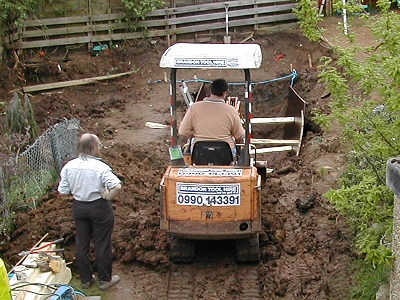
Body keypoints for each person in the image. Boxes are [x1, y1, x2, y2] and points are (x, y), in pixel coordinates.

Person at [58, 133, 122, 291]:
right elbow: (117, 186)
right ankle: (104, 280)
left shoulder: (69, 166)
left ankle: (86, 279)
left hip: (79, 207)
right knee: (102, 243)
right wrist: (107, 197)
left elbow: (63, 191)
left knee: (82, 243)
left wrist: (78, 190)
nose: (100, 148)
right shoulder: (100, 167)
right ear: (92, 147)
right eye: (98, 145)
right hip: (99, 207)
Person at [178, 78, 245, 156]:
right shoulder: (231, 110)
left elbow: (183, 131)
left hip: (199, 153)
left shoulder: (195, 108)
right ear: (225, 93)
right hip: (225, 154)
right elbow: (239, 135)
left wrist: (197, 134)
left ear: (211, 91)